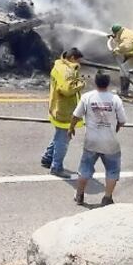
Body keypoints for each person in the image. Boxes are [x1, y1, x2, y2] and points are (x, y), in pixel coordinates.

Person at [69, 72, 128, 206]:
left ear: (95, 82)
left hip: (91, 142)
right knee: (112, 171)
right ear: (108, 83)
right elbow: (122, 120)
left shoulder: (87, 97)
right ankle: (107, 197)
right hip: (110, 142)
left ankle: (79, 195)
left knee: (85, 169)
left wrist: (70, 128)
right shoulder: (115, 99)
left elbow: (76, 115)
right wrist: (115, 129)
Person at [41, 47, 87, 177]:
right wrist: (81, 84)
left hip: (57, 107)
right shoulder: (67, 71)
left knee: (59, 134)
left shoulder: (59, 66)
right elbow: (67, 90)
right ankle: (56, 167)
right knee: (63, 140)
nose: (79, 63)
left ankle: (47, 158)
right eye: (78, 60)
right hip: (64, 110)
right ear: (72, 58)